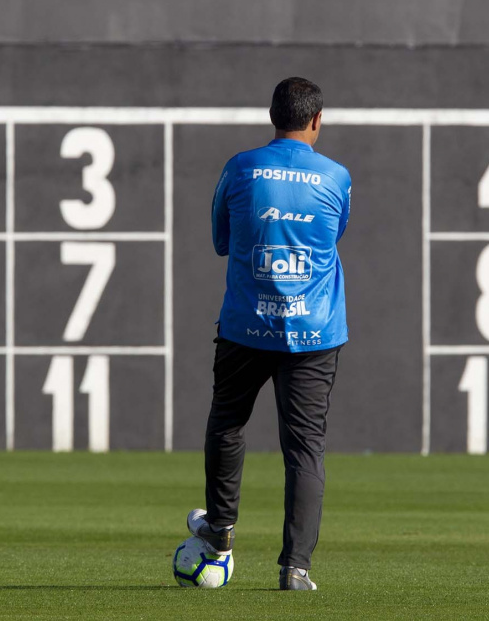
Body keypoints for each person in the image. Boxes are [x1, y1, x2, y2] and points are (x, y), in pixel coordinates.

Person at [186, 77, 351, 591]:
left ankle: (219, 533)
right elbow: (334, 233)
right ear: (317, 120)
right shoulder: (336, 177)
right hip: (314, 332)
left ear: (272, 116)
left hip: (244, 326)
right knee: (304, 448)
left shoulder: (240, 167)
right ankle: (295, 568)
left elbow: (220, 240)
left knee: (228, 425)